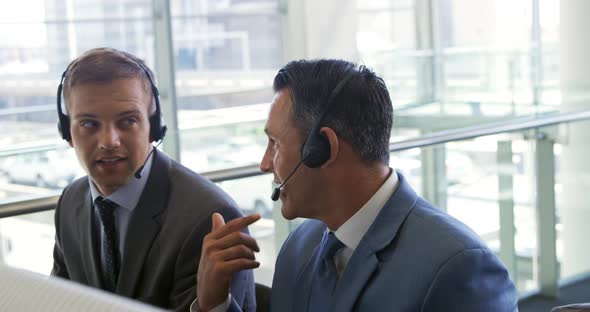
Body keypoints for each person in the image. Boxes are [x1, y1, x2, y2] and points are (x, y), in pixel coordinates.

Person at [195, 59, 519, 311]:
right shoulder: (298, 248)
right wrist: (215, 304)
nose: (265, 164)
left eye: (275, 145)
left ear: (322, 149)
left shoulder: (458, 266)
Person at [51, 47, 256, 312]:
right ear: (67, 132)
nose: (109, 142)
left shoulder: (208, 217)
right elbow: (57, 301)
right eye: (89, 124)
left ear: (154, 126)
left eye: (127, 121)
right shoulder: (70, 202)